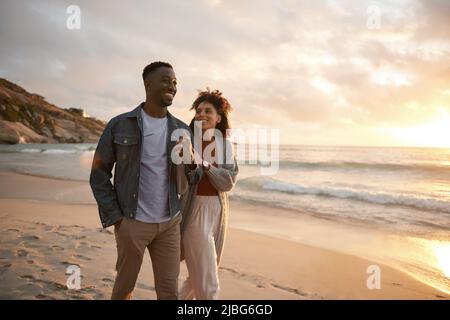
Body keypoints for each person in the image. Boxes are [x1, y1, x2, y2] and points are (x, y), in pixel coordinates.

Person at [89, 61, 191, 300]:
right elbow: (98, 174)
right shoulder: (119, 125)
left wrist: (191, 160)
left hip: (169, 224)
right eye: (166, 80)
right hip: (132, 222)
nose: (172, 86)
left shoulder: (182, 130)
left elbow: (191, 180)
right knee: (124, 289)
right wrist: (116, 218)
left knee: (168, 292)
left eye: (175, 82)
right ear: (148, 84)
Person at [179, 89, 239, 300]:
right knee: (208, 279)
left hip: (218, 212)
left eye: (208, 111)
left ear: (218, 117)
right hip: (193, 210)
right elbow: (184, 178)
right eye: (198, 110)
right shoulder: (186, 141)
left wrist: (204, 164)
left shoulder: (226, 146)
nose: (201, 114)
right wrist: (193, 160)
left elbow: (227, 182)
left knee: (196, 278)